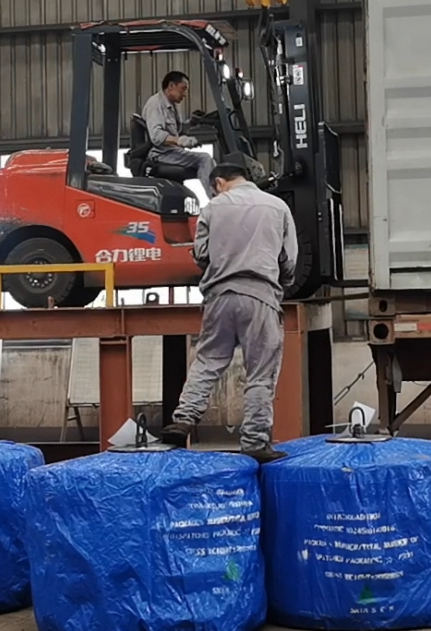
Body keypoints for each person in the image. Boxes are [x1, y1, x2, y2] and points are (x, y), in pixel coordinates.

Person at [160, 163, 299, 464]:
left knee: (208, 360)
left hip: (220, 296)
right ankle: (255, 442)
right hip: (261, 295)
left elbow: (202, 256)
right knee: (261, 372)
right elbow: (289, 261)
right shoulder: (277, 206)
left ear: (220, 183)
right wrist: (280, 286)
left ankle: (184, 419)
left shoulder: (213, 209)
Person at [141, 71, 216, 196]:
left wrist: (192, 123)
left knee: (209, 163)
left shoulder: (170, 106)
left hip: (170, 151)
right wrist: (179, 141)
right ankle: (215, 199)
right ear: (171, 86)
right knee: (204, 160)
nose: (185, 94)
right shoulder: (155, 105)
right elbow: (156, 136)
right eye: (183, 89)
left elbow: (177, 132)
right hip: (161, 153)